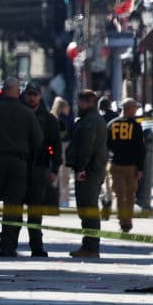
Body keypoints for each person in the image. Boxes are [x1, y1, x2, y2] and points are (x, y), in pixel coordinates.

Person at [0, 77, 43, 258]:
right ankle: (7, 248)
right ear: (18, 92)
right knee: (13, 208)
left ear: (4, 90)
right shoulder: (27, 114)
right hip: (19, 164)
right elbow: (38, 141)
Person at [65, 89, 108, 258]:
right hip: (93, 169)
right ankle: (89, 246)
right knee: (87, 208)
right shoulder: (94, 119)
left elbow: (86, 147)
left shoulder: (90, 121)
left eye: (81, 101)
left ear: (88, 102)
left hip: (89, 171)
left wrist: (81, 168)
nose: (78, 105)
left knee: (87, 208)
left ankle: (90, 247)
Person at [22, 82, 62, 257]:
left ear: (40, 96)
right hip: (20, 168)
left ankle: (36, 247)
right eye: (29, 94)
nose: (32, 98)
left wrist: (54, 169)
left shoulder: (48, 119)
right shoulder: (18, 115)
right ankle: (8, 247)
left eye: (35, 94)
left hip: (39, 168)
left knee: (35, 212)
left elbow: (56, 146)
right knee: (14, 210)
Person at [106, 98, 149, 232]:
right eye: (134, 108)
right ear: (129, 109)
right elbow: (141, 148)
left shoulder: (111, 124)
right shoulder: (136, 126)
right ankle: (127, 221)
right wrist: (141, 168)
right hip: (132, 166)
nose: (136, 110)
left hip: (116, 164)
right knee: (130, 195)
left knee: (119, 195)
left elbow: (106, 145)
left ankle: (122, 221)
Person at [50, 96, 72, 208]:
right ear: (63, 107)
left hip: (53, 148)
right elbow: (68, 134)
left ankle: (54, 197)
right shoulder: (66, 119)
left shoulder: (51, 118)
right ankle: (64, 200)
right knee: (65, 175)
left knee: (55, 174)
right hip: (65, 147)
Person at [98, 95, 117, 219]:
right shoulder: (116, 117)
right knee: (111, 181)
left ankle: (104, 198)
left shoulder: (99, 118)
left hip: (100, 152)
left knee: (99, 180)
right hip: (115, 153)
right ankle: (109, 201)